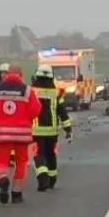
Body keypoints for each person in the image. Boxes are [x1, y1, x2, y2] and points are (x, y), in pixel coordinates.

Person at [0, 64, 42, 205]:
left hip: (2, 133)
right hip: (22, 134)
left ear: (7, 74)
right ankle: (16, 193)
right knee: (21, 162)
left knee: (1, 161)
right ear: (21, 75)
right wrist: (25, 118)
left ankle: (3, 179)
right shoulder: (27, 91)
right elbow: (36, 110)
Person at [29, 64, 73, 193]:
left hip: (36, 131)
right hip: (52, 132)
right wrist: (68, 129)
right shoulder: (57, 92)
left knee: (39, 154)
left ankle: (42, 176)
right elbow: (63, 113)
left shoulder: (31, 91)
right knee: (51, 155)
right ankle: (52, 180)